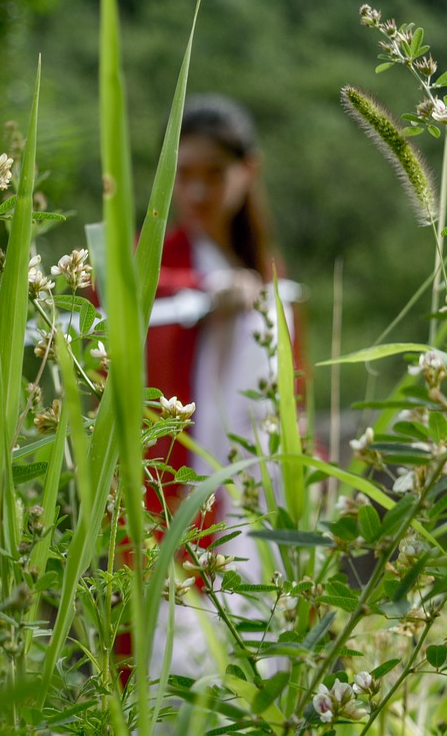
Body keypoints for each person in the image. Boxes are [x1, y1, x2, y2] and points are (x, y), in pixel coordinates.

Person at [141, 93, 294, 678]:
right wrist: (205, 292)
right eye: (184, 176)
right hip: (182, 506)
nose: (198, 193)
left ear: (247, 171)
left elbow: (290, 401)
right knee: (179, 676)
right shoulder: (162, 260)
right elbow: (119, 297)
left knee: (259, 670)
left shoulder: (273, 278)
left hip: (262, 506)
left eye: (214, 174)